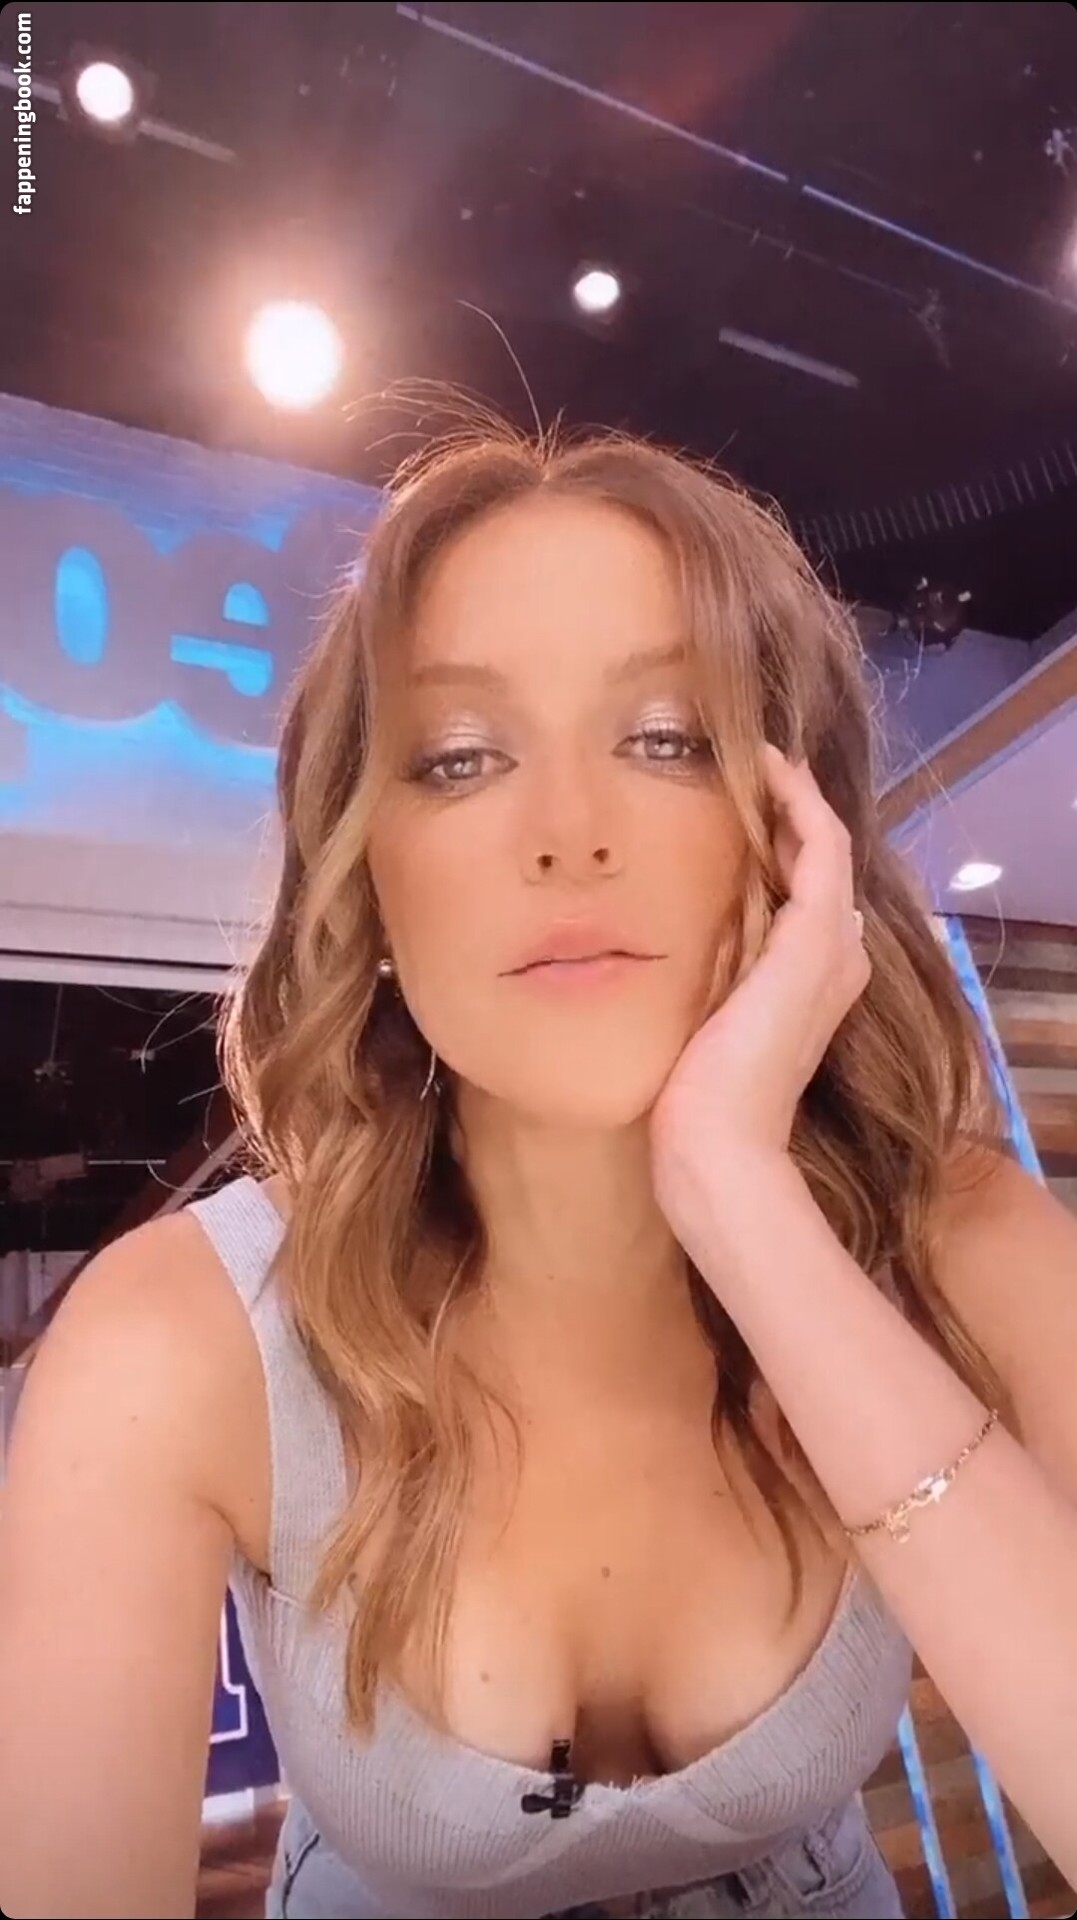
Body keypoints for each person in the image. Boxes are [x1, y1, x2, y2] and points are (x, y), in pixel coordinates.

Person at [1, 428, 1076, 1920]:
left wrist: (741, 1195)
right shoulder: (176, 1342)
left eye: (668, 738)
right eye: (459, 758)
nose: (570, 835)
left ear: (799, 836)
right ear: (367, 877)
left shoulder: (963, 1240)